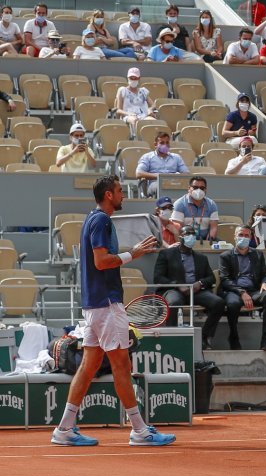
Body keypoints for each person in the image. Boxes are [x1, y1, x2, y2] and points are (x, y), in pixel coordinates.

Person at [51, 175, 174, 447]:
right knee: (121, 365)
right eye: (119, 191)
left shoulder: (92, 219)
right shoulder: (101, 220)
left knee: (89, 365)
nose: (123, 195)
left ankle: (64, 428)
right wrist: (134, 254)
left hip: (95, 306)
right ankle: (140, 430)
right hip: (106, 304)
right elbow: (102, 261)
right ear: (108, 194)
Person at [154, 225, 224, 350]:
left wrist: (200, 283)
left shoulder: (201, 257)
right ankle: (172, 339)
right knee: (174, 302)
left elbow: (211, 278)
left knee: (218, 303)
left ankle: (204, 337)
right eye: (188, 234)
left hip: (196, 291)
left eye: (193, 234)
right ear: (180, 237)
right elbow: (158, 278)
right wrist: (178, 285)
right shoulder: (166, 254)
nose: (191, 237)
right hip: (174, 290)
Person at [218, 225, 266, 350]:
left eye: (246, 235)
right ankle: (233, 336)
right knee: (233, 303)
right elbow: (225, 280)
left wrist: (265, 282)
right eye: (240, 235)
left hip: (253, 290)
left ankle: (265, 338)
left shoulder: (258, 254)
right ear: (234, 237)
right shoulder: (225, 256)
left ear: (250, 238)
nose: (243, 238)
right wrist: (242, 292)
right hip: (233, 290)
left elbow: (264, 274)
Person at [136, 131, 190, 197]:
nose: (165, 145)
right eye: (162, 143)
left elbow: (186, 173)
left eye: (167, 142)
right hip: (156, 183)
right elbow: (139, 173)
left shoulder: (176, 157)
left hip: (173, 182)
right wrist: (159, 176)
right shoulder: (147, 157)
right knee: (160, 187)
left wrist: (175, 176)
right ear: (155, 144)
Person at [170, 176, 219, 242]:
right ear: (189, 189)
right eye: (195, 187)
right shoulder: (179, 204)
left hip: (204, 240)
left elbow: (213, 227)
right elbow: (177, 228)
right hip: (185, 241)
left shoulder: (212, 204)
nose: (198, 190)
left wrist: (207, 243)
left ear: (206, 190)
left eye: (202, 188)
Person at [114, 67, 156, 133]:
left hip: (143, 115)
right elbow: (118, 110)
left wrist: (150, 109)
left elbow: (153, 105)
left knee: (153, 121)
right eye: (131, 78)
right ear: (128, 78)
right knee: (134, 120)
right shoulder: (122, 90)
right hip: (128, 115)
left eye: (135, 78)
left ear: (139, 78)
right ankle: (136, 138)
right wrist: (128, 113)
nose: (133, 80)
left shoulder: (143, 91)